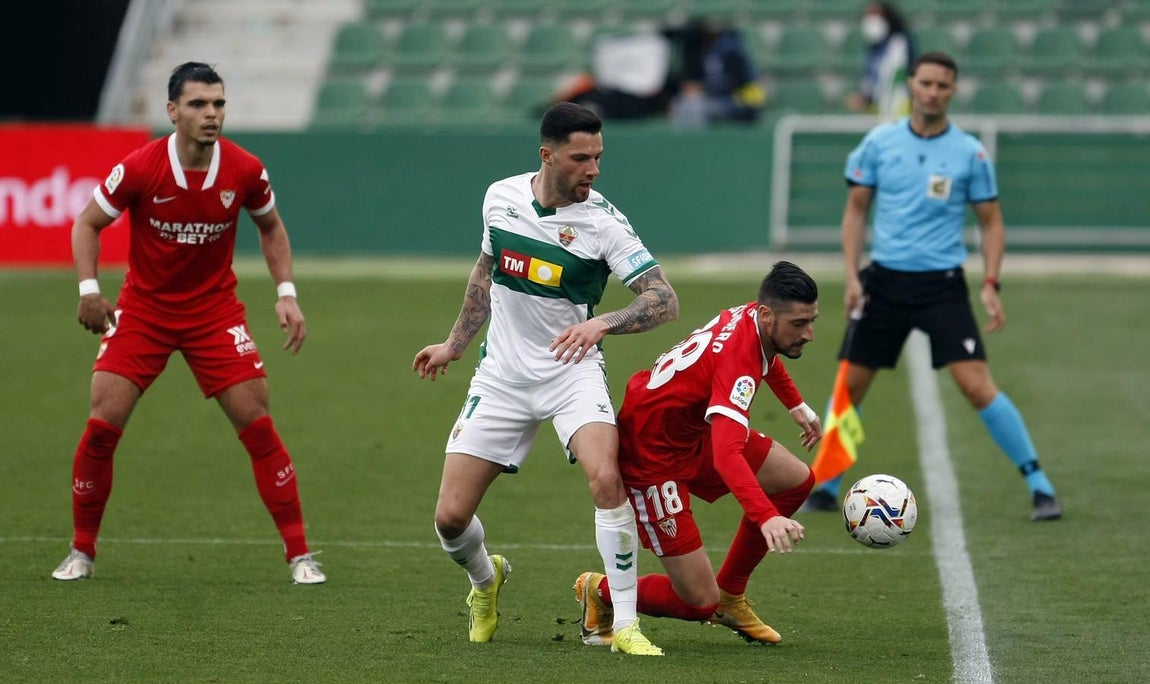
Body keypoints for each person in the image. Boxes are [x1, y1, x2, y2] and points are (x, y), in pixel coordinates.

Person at [412, 102, 680, 655]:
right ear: (548, 154)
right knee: (449, 519)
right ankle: (486, 582)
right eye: (581, 158)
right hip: (502, 377)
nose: (594, 169)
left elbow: (665, 300)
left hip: (571, 374)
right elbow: (485, 275)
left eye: (599, 157)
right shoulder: (500, 198)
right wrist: (453, 345)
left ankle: (625, 624)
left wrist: (602, 323)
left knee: (607, 479)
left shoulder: (603, 222)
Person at [51, 62, 325, 584]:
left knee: (258, 425)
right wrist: (89, 289)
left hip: (214, 313)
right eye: (199, 104)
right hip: (144, 311)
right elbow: (88, 223)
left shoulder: (244, 169)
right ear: (172, 111)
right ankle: (81, 551)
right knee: (101, 425)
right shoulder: (139, 167)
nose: (212, 114)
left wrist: (286, 294)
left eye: (219, 103)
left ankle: (300, 555)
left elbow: (271, 228)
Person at [804, 52, 1062, 522]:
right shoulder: (879, 142)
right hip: (883, 283)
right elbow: (856, 212)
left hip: (942, 287)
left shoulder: (970, 153)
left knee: (977, 386)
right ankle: (826, 481)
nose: (933, 92)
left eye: (943, 85)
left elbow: (992, 222)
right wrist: (852, 276)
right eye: (925, 83)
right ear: (912, 86)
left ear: (953, 91)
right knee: (851, 386)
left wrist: (990, 281)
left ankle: (1039, 483)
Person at [574, 261, 823, 647]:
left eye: (811, 321)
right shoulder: (739, 361)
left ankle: (732, 594)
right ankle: (600, 590)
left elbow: (767, 353)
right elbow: (727, 455)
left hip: (691, 433)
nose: (808, 334)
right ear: (768, 314)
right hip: (653, 457)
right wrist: (766, 517)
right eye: (799, 324)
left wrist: (796, 404)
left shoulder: (754, 315)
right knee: (697, 602)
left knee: (795, 480)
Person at [844, 2, 913, 121]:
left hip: (896, 109)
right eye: (869, 15)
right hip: (877, 110)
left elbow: (892, 77)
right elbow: (870, 78)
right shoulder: (873, 48)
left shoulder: (898, 43)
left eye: (876, 14)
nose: (871, 20)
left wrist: (866, 98)